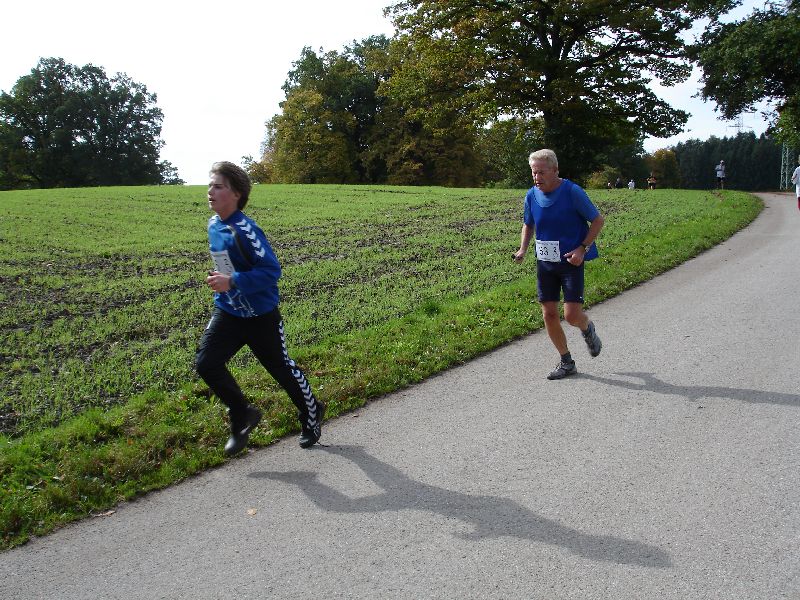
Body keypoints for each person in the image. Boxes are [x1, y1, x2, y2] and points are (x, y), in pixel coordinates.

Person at [196, 161, 325, 455]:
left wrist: (232, 281)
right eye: (210, 185)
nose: (210, 191)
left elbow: (271, 271)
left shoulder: (246, 230)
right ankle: (242, 415)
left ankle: (312, 411)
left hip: (260, 317)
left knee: (281, 369)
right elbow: (227, 264)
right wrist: (221, 280)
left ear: (237, 194)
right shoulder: (214, 225)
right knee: (207, 364)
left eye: (218, 186)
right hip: (229, 312)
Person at [513, 149, 605, 380]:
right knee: (549, 314)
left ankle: (587, 327)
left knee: (572, 316)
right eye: (534, 172)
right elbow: (528, 224)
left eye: (541, 172)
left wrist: (582, 248)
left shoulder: (572, 192)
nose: (537, 177)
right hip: (545, 263)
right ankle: (566, 362)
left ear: (555, 170)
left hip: (570, 262)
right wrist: (523, 249)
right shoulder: (531, 195)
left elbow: (597, 220)